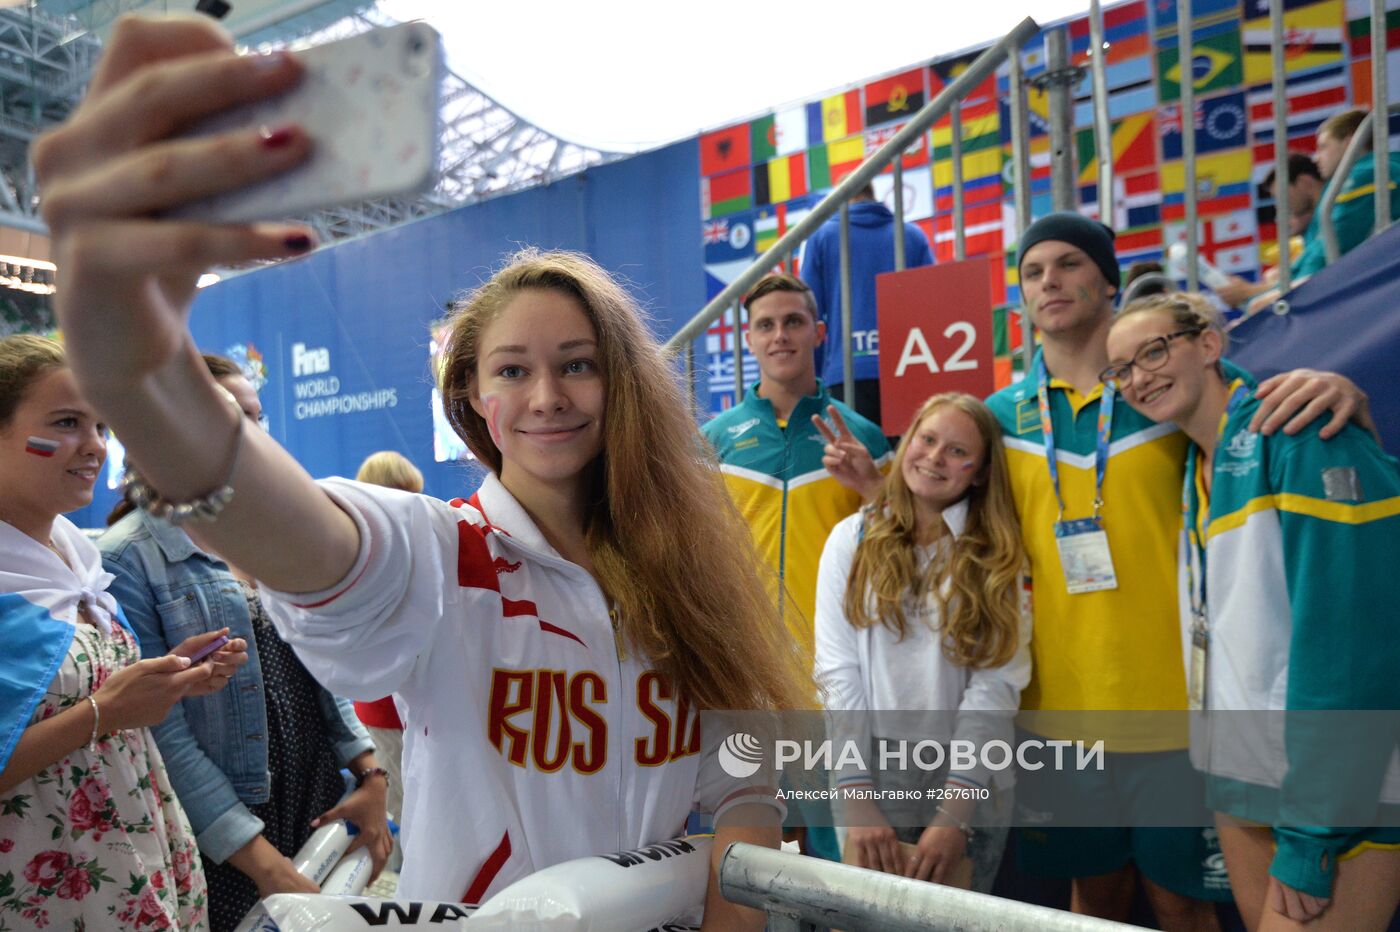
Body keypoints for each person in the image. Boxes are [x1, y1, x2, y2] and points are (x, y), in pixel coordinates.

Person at [32, 22, 811, 925]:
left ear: (624, 382)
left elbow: (747, 787)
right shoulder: (442, 555)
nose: (548, 395)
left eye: (579, 363)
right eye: (513, 370)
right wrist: (143, 369)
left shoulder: (694, 569)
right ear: (473, 396)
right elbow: (314, 543)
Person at [832, 211, 1371, 927]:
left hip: (1179, 714)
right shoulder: (998, 420)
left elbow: (1268, 412)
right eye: (1031, 271)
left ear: (1109, 281)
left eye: (1068, 264)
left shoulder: (1164, 387)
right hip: (1057, 721)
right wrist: (879, 494)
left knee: (1182, 907)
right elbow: (939, 521)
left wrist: (1340, 389)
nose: (1049, 280)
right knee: (1092, 906)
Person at [1103, 292, 1400, 931]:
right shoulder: (1194, 466)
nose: (1138, 378)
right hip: (1242, 781)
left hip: (1336, 797)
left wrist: (1316, 830)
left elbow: (1351, 646)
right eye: (1121, 369)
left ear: (1209, 344)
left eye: (1153, 351)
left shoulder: (1298, 430)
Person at [99, 354, 390, 932]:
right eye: (234, 420)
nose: (253, 439)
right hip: (225, 833)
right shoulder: (127, 556)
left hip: (314, 802)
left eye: (258, 419)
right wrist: (263, 864)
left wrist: (372, 775)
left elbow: (319, 662)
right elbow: (161, 733)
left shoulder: (273, 531)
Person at [0, 334, 248, 931]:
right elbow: (89, 712)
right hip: (47, 887)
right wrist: (104, 711)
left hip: (132, 858)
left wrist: (170, 681)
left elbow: (90, 699)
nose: (94, 447)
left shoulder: (75, 559)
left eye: (101, 426)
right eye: (66, 422)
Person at [702, 273, 888, 863]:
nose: (779, 335)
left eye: (793, 322)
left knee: (837, 858)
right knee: (749, 852)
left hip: (834, 682)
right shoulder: (716, 440)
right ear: (748, 340)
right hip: (743, 675)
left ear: (819, 332)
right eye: (766, 325)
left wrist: (876, 488)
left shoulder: (860, 437)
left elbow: (904, 553)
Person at [814, 392, 1029, 894]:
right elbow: (835, 670)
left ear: (979, 473)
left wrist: (955, 810)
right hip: (868, 768)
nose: (934, 457)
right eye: (927, 439)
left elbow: (996, 686)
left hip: (968, 777)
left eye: (957, 451)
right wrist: (855, 791)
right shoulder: (851, 538)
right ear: (907, 442)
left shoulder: (1000, 555)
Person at [1222, 110, 1400, 314]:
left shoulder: (1367, 174)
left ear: (1350, 142)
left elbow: (1327, 258)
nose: (1316, 158)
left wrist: (1258, 296)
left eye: (1323, 146)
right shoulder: (1359, 177)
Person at [800, 180, 933, 425]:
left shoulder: (822, 237)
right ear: (873, 196)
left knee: (854, 458)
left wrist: (813, 381)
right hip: (909, 367)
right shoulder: (912, 236)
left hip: (847, 373)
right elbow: (932, 310)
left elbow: (807, 316)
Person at [350, 449, 424, 871]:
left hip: (409, 707)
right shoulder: (367, 553)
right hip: (385, 709)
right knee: (403, 812)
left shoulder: (402, 545)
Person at [1215, 154, 1324, 310]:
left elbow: (1308, 280)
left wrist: (1248, 291)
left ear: (1304, 182)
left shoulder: (1327, 219)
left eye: (1281, 196)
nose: (1281, 207)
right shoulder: (1315, 229)